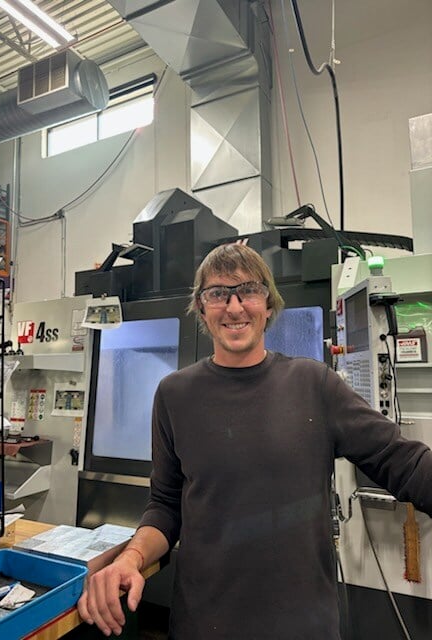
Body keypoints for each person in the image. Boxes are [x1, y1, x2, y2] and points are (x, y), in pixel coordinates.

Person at [78, 243, 432, 639]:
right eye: (217, 294)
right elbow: (164, 505)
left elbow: (403, 462)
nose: (233, 307)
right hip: (203, 622)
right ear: (201, 307)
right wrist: (132, 556)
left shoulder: (313, 384)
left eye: (248, 290)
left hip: (302, 625)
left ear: (268, 304)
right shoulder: (174, 395)